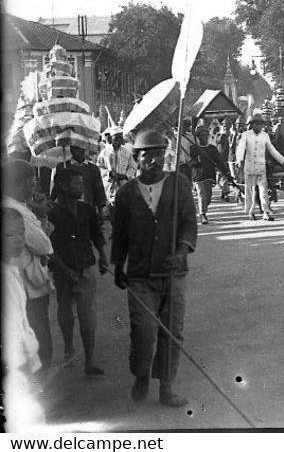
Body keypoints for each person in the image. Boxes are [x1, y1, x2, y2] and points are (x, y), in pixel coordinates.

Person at [110, 129, 197, 407]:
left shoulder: (179, 184)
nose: (155, 160)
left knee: (172, 330)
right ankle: (141, 375)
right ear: (136, 158)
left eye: (160, 154)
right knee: (144, 330)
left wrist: (182, 251)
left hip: (173, 271)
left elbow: (189, 222)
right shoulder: (125, 194)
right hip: (139, 273)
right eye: (148, 155)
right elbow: (120, 233)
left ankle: (167, 387)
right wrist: (118, 265)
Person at [48, 169, 108, 376]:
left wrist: (103, 256)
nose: (81, 187)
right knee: (66, 315)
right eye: (76, 183)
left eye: (82, 183)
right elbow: (49, 248)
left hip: (86, 269)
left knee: (88, 318)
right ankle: (69, 349)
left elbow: (96, 235)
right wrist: (64, 270)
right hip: (62, 274)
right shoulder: (51, 213)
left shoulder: (86, 209)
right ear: (63, 186)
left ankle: (89, 362)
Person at [5, 160, 57, 369]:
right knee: (38, 336)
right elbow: (44, 245)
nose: (34, 187)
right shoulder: (16, 210)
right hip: (26, 284)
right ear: (24, 183)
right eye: (33, 182)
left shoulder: (17, 207)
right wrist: (41, 215)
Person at [234, 115, 284, 220]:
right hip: (249, 167)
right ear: (251, 125)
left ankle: (265, 212)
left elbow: (272, 150)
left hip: (261, 166)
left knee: (263, 191)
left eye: (260, 124)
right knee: (250, 191)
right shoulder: (246, 135)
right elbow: (241, 148)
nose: (258, 126)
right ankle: (251, 212)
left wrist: (283, 160)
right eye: (256, 124)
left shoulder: (265, 136)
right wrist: (239, 159)